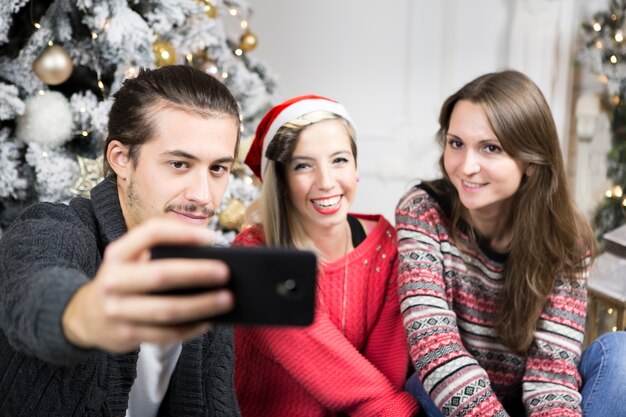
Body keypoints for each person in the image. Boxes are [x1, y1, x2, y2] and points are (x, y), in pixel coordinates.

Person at [0, 65, 243, 416]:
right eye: (179, 164)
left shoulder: (210, 272)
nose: (203, 196)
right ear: (121, 159)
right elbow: (34, 291)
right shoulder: (54, 228)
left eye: (218, 169)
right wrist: (86, 314)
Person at [396, 69, 626, 417]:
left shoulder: (567, 239)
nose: (467, 166)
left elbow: (552, 375)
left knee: (621, 355)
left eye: (491, 148)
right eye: (456, 143)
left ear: (530, 162)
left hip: (527, 402)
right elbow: (434, 347)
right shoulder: (423, 210)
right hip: (447, 395)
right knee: (429, 385)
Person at [233, 95, 422, 416]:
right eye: (303, 165)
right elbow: (344, 383)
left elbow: (382, 380)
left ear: (356, 167)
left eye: (339, 160)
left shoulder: (385, 247)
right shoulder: (255, 259)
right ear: (280, 182)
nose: (326, 182)